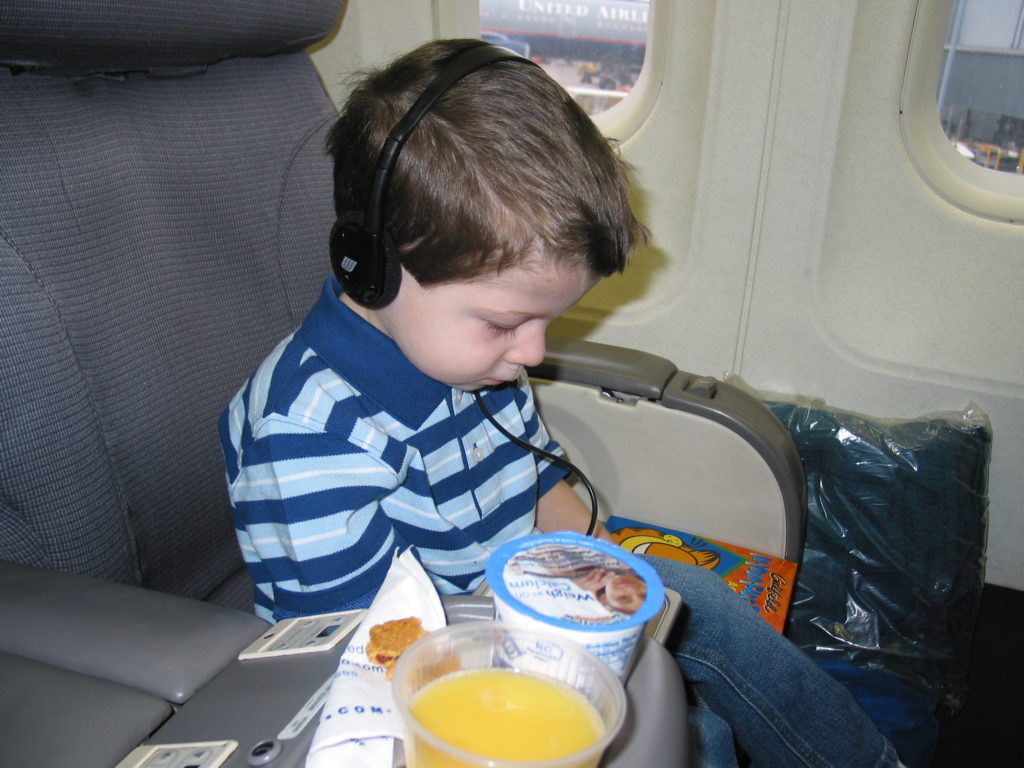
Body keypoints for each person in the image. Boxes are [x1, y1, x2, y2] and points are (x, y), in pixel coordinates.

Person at [219, 38, 903, 768]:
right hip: (424, 664)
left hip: (513, 600)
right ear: (376, 267)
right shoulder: (309, 435)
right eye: (508, 322)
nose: (534, 354)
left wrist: (606, 567)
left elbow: (535, 479)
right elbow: (372, 648)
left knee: (700, 609)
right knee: (687, 735)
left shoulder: (474, 365)